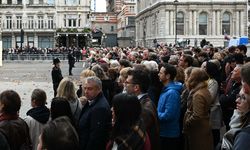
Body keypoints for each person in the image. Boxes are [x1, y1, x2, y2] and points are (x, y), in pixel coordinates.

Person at [125, 68, 160, 150]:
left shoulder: (144, 109)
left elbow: (135, 137)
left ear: (136, 87)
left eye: (127, 83)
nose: (124, 85)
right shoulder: (140, 103)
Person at [183, 68, 213, 150]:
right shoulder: (203, 89)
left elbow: (197, 115)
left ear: (193, 78)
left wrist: (187, 122)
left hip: (198, 130)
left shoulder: (198, 94)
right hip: (202, 126)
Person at [78, 76, 111, 150]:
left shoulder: (100, 108)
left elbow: (95, 138)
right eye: (85, 88)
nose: (86, 91)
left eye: (90, 89)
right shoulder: (93, 101)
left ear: (99, 89)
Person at [157, 63, 183, 150]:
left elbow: (168, 115)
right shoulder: (166, 89)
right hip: (164, 132)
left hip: (168, 134)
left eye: (160, 73)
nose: (158, 74)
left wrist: (155, 114)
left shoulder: (172, 93)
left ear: (167, 76)